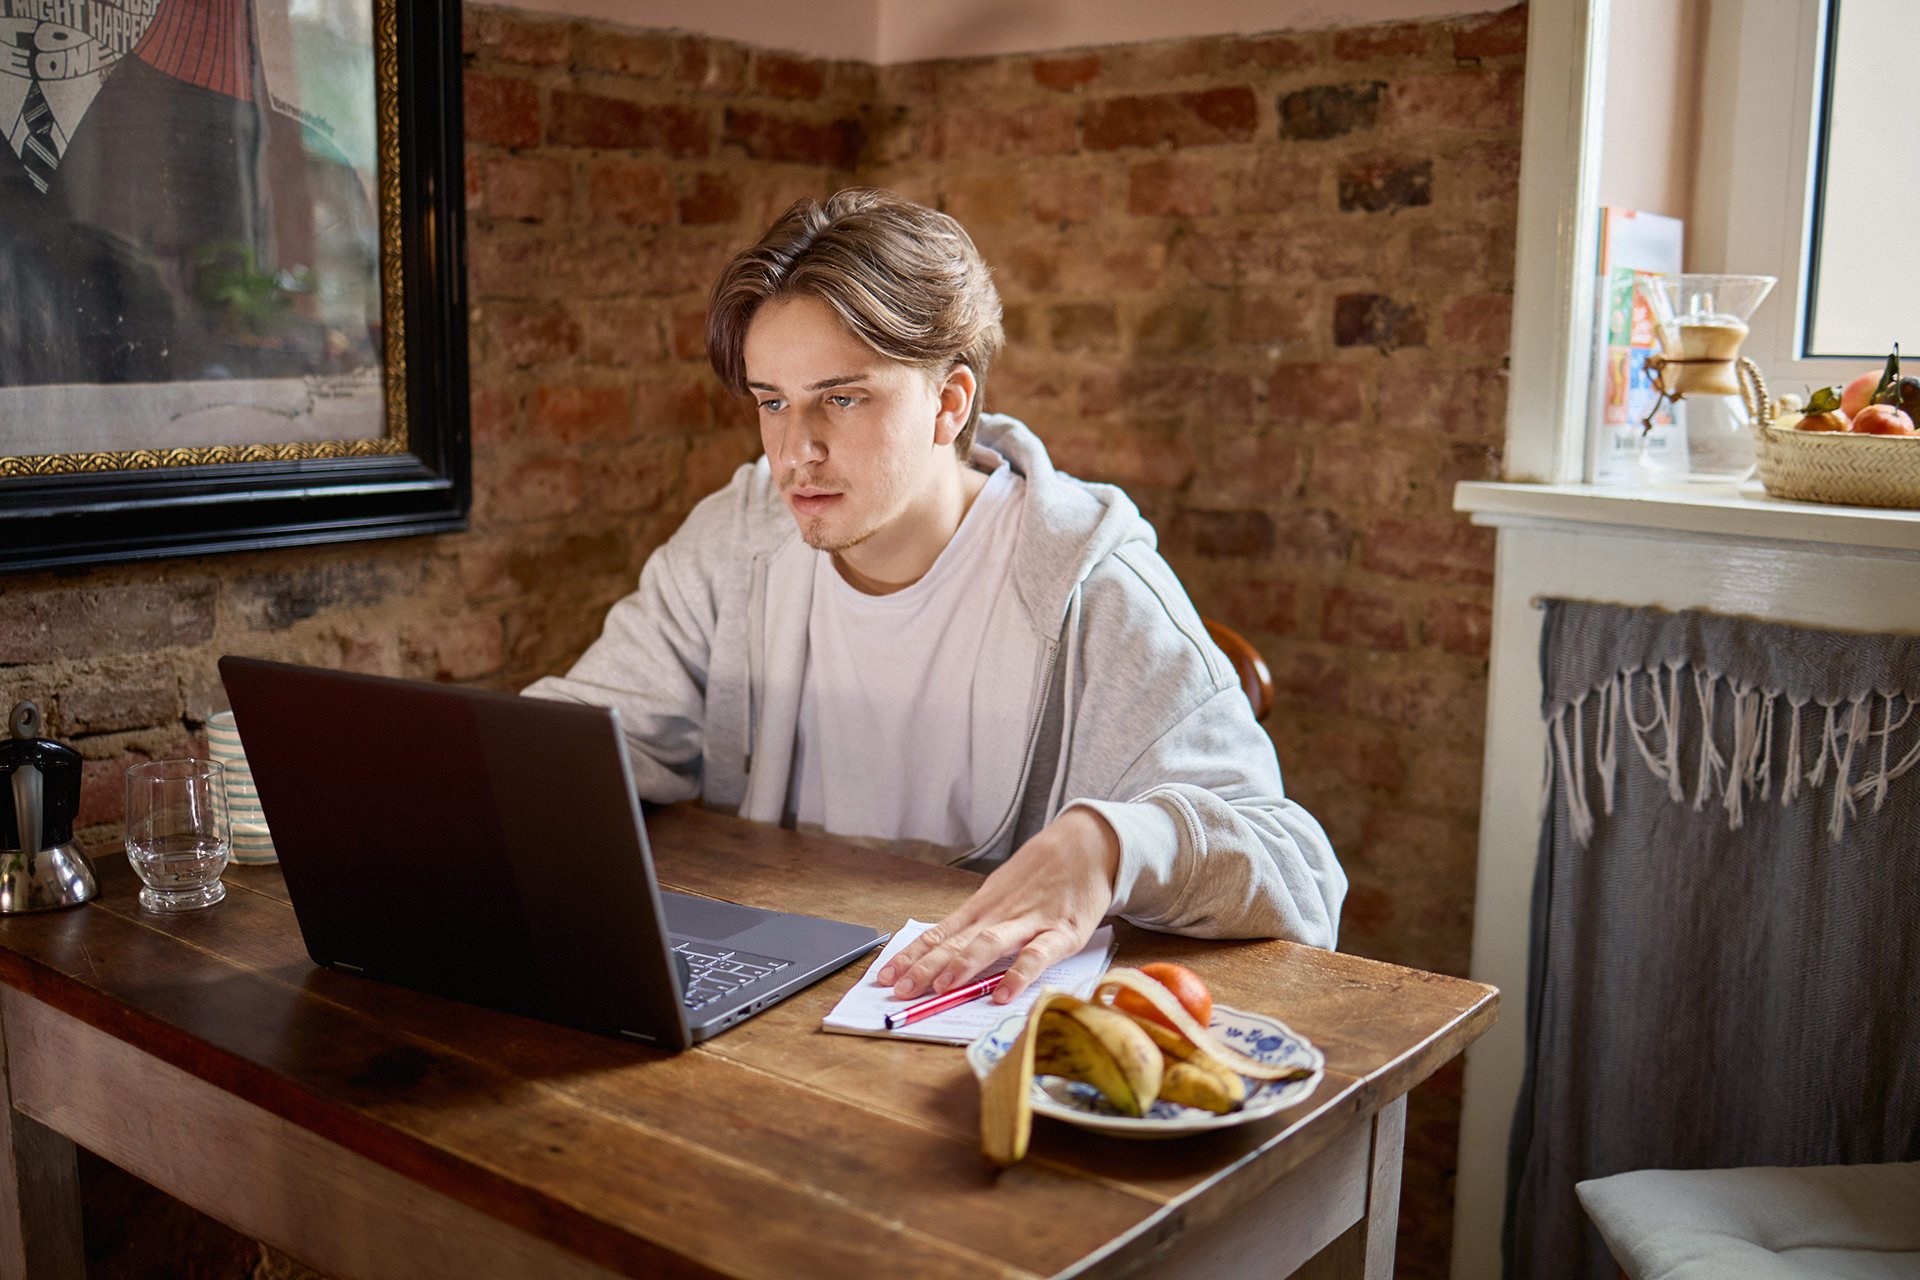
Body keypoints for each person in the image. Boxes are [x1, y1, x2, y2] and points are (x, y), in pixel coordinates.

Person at [524, 188, 1344, 1005]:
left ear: (949, 403)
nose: (794, 451)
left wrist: (1112, 843)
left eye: (841, 398)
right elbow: (584, 741)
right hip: (770, 1007)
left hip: (976, 1036)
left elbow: (1302, 878)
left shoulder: (1091, 584)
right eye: (772, 401)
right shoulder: (738, 540)